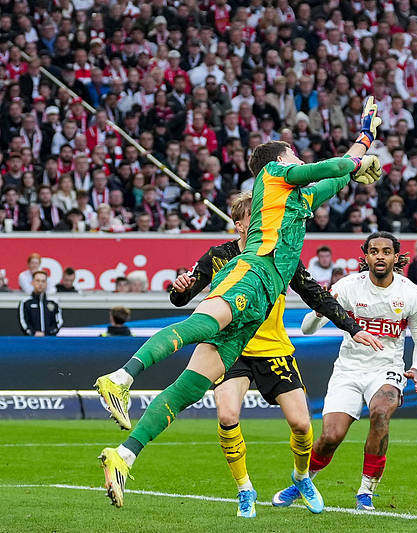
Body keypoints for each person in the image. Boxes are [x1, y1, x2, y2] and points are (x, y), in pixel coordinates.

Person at [95, 97, 384, 509]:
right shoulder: (272, 173)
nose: (297, 158)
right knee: (204, 323)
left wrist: (365, 137)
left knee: (189, 388)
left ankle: (124, 455)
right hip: (252, 270)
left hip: (261, 303)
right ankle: (121, 378)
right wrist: (354, 163)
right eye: (293, 153)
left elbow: (337, 176)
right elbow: (331, 168)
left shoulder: (300, 201)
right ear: (281, 160)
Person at [168, 192, 380, 517]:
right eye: (256, 217)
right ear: (240, 225)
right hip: (231, 347)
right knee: (227, 416)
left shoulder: (283, 256)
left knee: (301, 424)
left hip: (273, 348)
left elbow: (316, 295)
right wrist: (179, 289)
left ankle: (302, 477)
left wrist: (352, 328)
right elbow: (182, 298)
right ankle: (245, 489)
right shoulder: (218, 256)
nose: (265, 222)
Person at [272, 232, 417, 512]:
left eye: (386, 251)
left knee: (381, 412)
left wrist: (416, 367)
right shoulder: (347, 287)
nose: (380, 256)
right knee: (331, 436)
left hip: (387, 368)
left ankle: (366, 492)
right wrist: (319, 312)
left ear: (396, 257)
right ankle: (302, 482)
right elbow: (307, 329)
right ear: (365, 256)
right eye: (374, 251)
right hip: (348, 369)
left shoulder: (411, 293)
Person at [18, 270, 62, 336]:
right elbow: (23, 322)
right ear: (32, 282)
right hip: (31, 340)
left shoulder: (54, 303)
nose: (40, 284)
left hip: (50, 340)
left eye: (43, 281)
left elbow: (59, 323)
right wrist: (33, 333)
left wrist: (46, 334)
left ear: (46, 284)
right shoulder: (25, 303)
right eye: (37, 281)